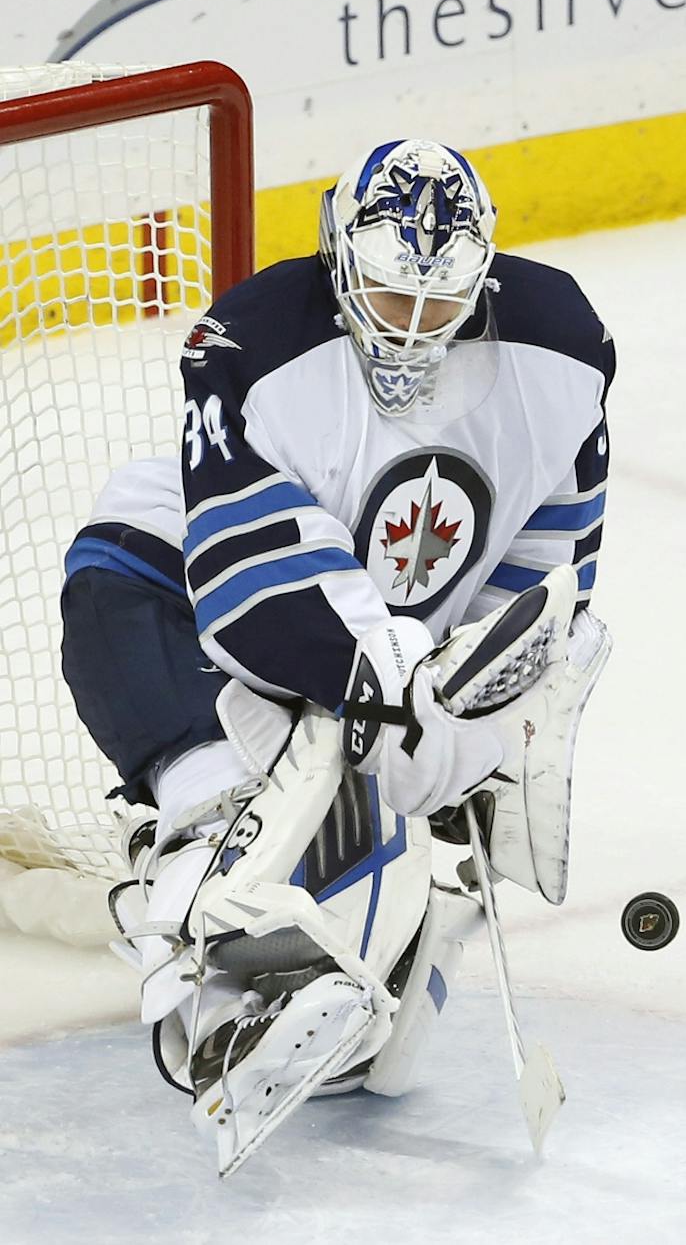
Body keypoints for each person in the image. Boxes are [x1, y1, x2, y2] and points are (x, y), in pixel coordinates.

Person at [57, 139, 615, 1174]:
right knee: (212, 834)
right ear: (338, 259)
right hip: (198, 611)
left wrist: (482, 723)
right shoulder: (253, 344)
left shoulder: (564, 351)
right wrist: (391, 678)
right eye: (388, 296)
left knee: (380, 1064)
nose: (409, 327)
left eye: (437, 306)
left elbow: (546, 569)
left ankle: (394, 912)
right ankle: (200, 896)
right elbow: (255, 578)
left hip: (383, 664)